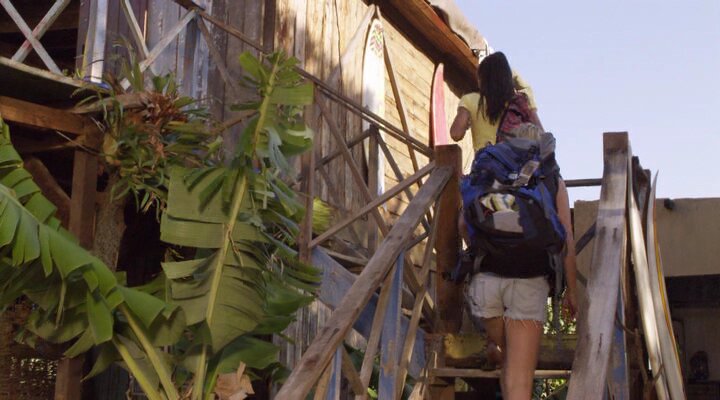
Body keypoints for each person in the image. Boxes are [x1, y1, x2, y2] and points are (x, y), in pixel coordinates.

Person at [450, 53, 579, 400]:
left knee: (507, 357)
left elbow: (454, 133)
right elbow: (565, 236)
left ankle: (495, 342)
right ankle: (502, 347)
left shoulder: (474, 108)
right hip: (530, 278)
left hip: (488, 277)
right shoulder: (550, 179)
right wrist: (572, 291)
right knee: (520, 381)